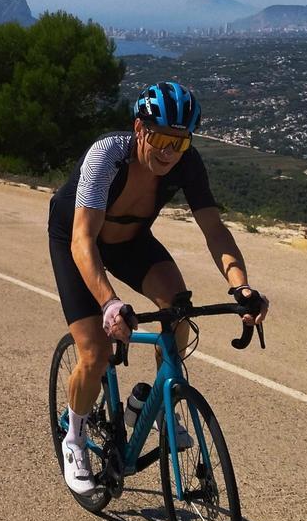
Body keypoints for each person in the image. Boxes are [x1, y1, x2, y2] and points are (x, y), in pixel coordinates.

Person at [48, 81, 269, 494]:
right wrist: (110, 303)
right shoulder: (107, 156)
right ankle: (74, 437)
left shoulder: (187, 163)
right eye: (163, 138)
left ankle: (156, 407)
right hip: (79, 240)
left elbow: (215, 232)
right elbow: (82, 241)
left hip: (130, 242)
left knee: (178, 307)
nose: (170, 151)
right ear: (140, 129)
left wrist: (241, 287)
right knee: (94, 352)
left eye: (180, 141)